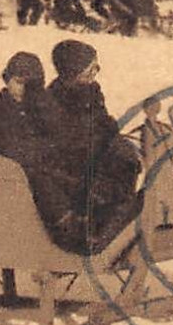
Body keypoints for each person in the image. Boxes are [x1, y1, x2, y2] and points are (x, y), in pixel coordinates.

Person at [44, 40, 143, 254]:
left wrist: (112, 135)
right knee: (109, 176)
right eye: (90, 67)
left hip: (95, 156)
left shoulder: (92, 91)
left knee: (127, 159)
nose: (95, 72)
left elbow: (104, 123)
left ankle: (118, 220)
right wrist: (101, 140)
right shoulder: (54, 99)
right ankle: (96, 231)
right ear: (73, 71)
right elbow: (66, 141)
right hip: (71, 167)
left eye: (95, 67)